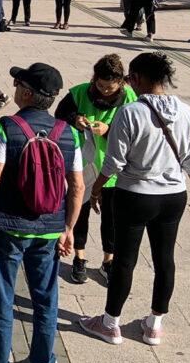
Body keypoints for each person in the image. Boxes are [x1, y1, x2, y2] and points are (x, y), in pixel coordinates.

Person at [0, 63, 84, 363]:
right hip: (49, 228)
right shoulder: (68, 133)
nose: (15, 87)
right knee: (45, 298)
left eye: (18, 83)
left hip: (8, 226)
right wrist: (69, 228)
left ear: (27, 93)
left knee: (1, 296)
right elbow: (76, 186)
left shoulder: (7, 127)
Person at [78, 52, 190, 347]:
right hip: (173, 196)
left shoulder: (130, 112)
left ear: (136, 78)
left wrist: (96, 188)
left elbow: (113, 163)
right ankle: (154, 325)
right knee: (165, 259)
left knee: (125, 259)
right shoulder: (186, 111)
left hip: (135, 196)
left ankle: (110, 323)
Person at [53, 54, 136, 284]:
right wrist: (75, 119)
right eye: (100, 85)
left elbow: (136, 131)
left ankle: (108, 260)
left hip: (114, 170)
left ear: (121, 82)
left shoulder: (130, 97)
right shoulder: (79, 93)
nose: (105, 91)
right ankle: (79, 257)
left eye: (110, 87)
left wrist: (110, 129)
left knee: (111, 217)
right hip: (83, 166)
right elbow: (59, 117)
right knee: (79, 212)